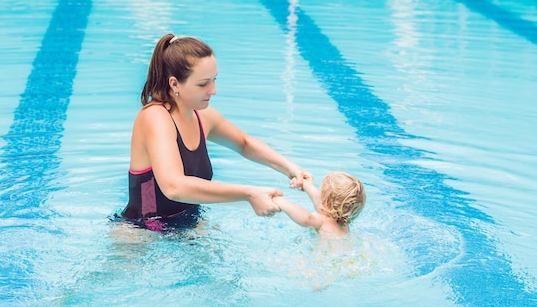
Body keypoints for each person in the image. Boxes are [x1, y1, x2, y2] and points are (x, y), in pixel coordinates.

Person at [114, 34, 308, 231]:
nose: (213, 90)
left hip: (190, 223)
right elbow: (174, 187)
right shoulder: (155, 117)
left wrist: (289, 168)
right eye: (203, 83)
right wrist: (249, 194)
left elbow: (244, 143)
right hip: (142, 230)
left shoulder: (201, 116)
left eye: (214, 80)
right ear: (174, 84)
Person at [273, 171, 365, 237]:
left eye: (319, 192)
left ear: (325, 203)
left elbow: (306, 219)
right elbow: (320, 201)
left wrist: (280, 201)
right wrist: (305, 184)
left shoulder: (323, 221)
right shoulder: (343, 222)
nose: (316, 194)